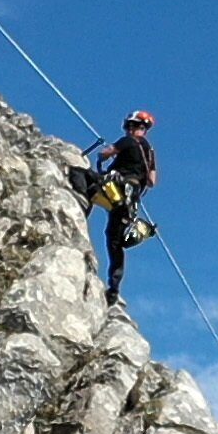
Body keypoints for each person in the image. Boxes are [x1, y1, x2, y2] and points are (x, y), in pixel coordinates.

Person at [82, 110, 158, 302]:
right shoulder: (149, 152)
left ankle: (80, 213)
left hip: (117, 187)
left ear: (133, 126)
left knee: (82, 179)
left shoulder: (129, 141)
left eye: (129, 127)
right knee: (115, 242)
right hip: (130, 200)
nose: (128, 130)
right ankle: (114, 288)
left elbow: (106, 153)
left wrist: (103, 155)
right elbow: (151, 181)